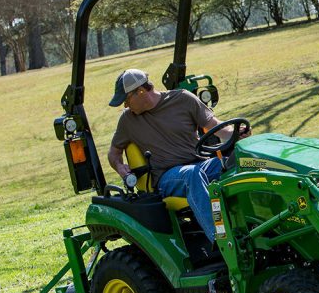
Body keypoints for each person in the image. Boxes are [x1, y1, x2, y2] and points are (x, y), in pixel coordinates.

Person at [106, 68, 248, 243]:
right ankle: (223, 242)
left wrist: (235, 134)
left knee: (240, 163)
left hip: (200, 164)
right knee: (192, 175)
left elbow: (213, 125)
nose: (125, 106)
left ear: (141, 92)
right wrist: (121, 168)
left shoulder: (183, 99)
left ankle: (258, 228)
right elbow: (114, 152)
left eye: (126, 100)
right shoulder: (128, 120)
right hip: (168, 177)